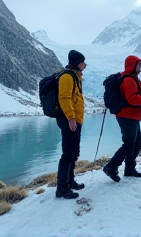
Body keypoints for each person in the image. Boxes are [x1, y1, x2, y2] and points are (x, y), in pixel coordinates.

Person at [103, 55, 141, 182]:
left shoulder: (133, 79)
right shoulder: (128, 80)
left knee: (136, 144)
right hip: (126, 116)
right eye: (139, 65)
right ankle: (111, 167)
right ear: (133, 65)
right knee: (129, 144)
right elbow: (132, 99)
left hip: (132, 116)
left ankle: (129, 169)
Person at [55, 49, 87, 199]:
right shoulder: (67, 77)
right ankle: (62, 188)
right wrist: (71, 118)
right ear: (76, 63)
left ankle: (70, 181)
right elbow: (64, 98)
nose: (85, 65)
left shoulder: (75, 76)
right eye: (82, 62)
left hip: (75, 120)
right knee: (68, 153)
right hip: (69, 120)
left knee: (74, 152)